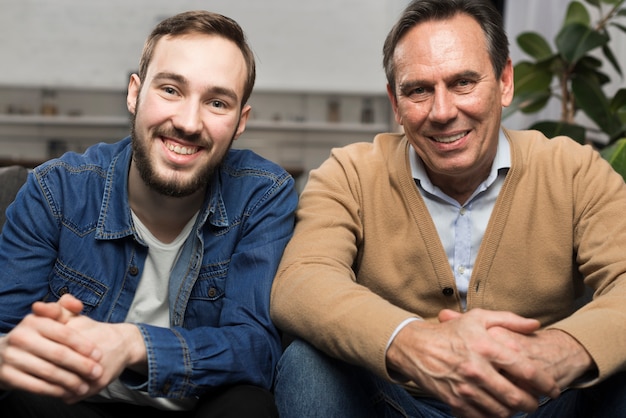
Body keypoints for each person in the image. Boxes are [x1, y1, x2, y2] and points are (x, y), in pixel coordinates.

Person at [269, 0, 626, 417]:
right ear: (395, 103)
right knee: (305, 364)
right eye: (419, 90)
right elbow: (301, 281)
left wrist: (563, 349)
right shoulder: (350, 172)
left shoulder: (573, 169)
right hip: (401, 403)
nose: (442, 112)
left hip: (545, 401)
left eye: (463, 83)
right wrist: (413, 342)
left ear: (505, 81)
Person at [0, 10, 297, 418]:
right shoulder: (56, 190)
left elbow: (255, 351)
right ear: (134, 93)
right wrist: (17, 348)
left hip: (196, 406)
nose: (189, 123)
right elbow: (5, 337)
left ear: (240, 121)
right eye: (171, 90)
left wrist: (129, 343)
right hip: (75, 405)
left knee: (249, 405)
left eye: (216, 102)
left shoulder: (263, 195)